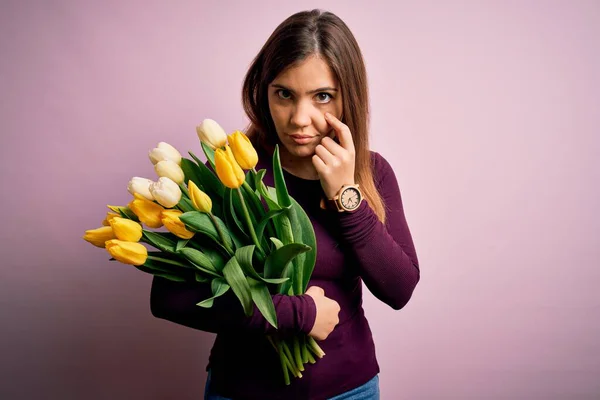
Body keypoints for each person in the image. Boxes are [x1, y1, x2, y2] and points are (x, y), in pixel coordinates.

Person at [150, 9, 420, 400]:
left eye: (322, 97)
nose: (300, 119)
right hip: (241, 390)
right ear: (264, 92)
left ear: (349, 98)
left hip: (349, 391)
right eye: (284, 95)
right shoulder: (230, 173)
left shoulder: (371, 172)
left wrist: (347, 196)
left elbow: (400, 289)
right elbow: (168, 298)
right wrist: (295, 314)